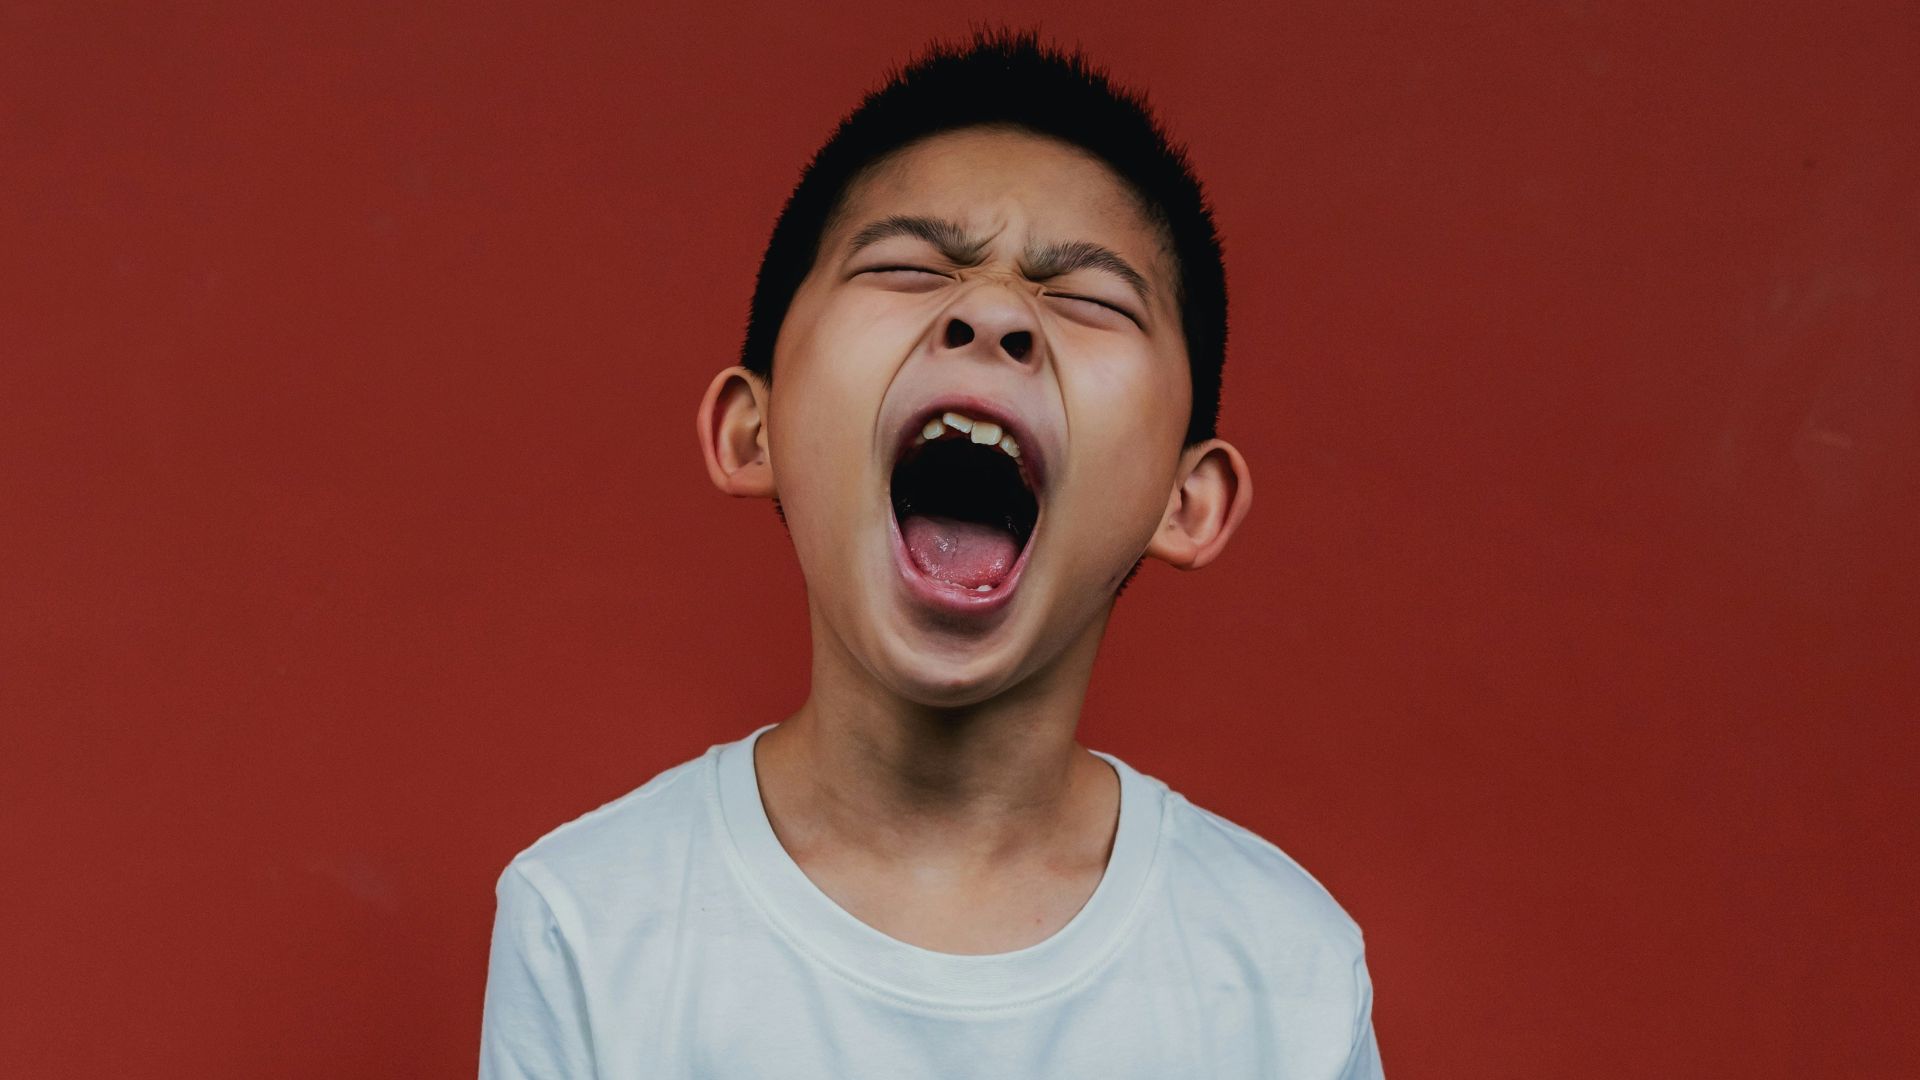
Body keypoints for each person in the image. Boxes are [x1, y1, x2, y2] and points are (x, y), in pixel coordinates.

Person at [479, 29, 1385, 1079]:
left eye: (1089, 300)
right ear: (750, 430)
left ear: (1189, 502)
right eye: (908, 269)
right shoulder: (588, 920)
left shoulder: (1285, 974)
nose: (992, 312)